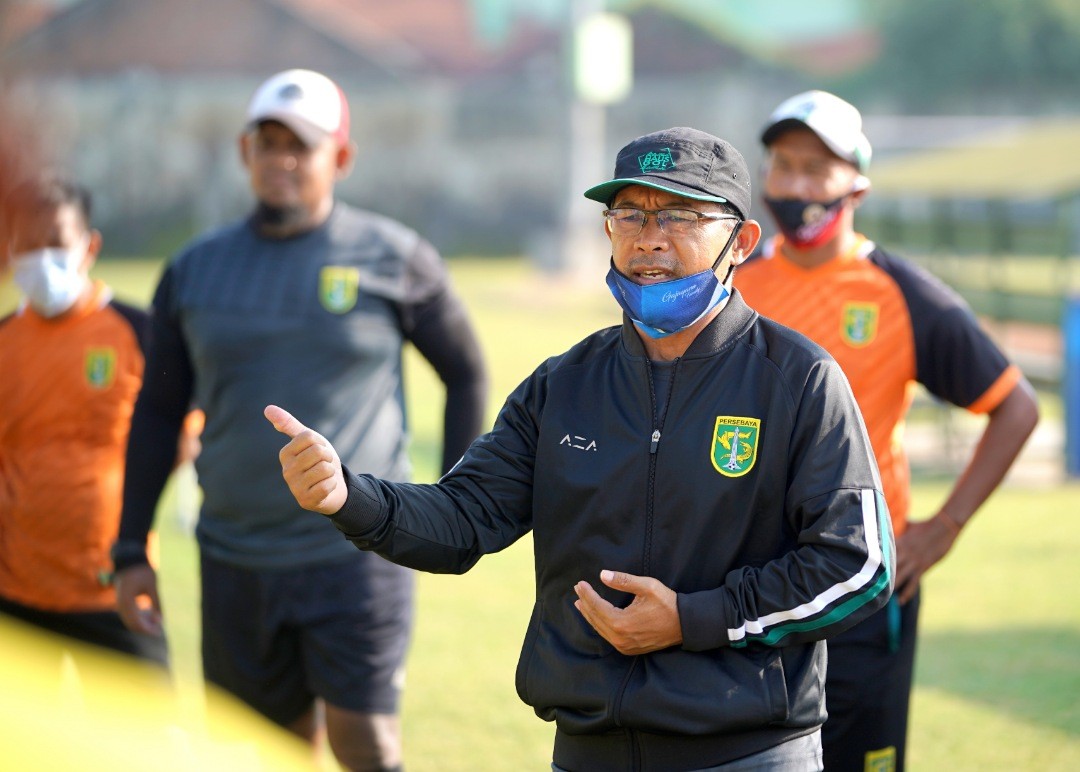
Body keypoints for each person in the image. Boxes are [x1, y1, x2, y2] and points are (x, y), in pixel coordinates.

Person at [267, 126, 895, 772]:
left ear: (741, 242)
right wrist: (350, 496)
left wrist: (694, 618)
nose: (650, 237)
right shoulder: (562, 383)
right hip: (586, 751)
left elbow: (857, 564)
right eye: (629, 214)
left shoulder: (797, 379)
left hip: (750, 754)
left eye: (680, 215)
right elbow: (461, 520)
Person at [110, 69, 488, 771]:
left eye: (300, 145)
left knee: (367, 746)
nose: (281, 159)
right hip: (234, 560)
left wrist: (453, 504)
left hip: (358, 557)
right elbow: (159, 410)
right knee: (261, 754)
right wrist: (131, 546)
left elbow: (464, 371)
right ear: (243, 150)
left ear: (339, 158)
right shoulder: (193, 270)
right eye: (268, 141)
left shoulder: (394, 258)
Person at [735, 90, 1040, 772]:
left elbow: (1016, 408)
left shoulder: (903, 294)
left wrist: (944, 527)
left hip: (862, 582)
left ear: (857, 185)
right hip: (748, 581)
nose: (797, 184)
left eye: (819, 168)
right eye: (784, 165)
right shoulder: (734, 289)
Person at [0, 174, 168, 668]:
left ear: (89, 246)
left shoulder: (141, 333)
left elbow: (177, 440)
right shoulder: (4, 340)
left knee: (146, 738)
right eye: (26, 245)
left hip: (113, 585)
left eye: (55, 243)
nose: (39, 258)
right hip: (16, 592)